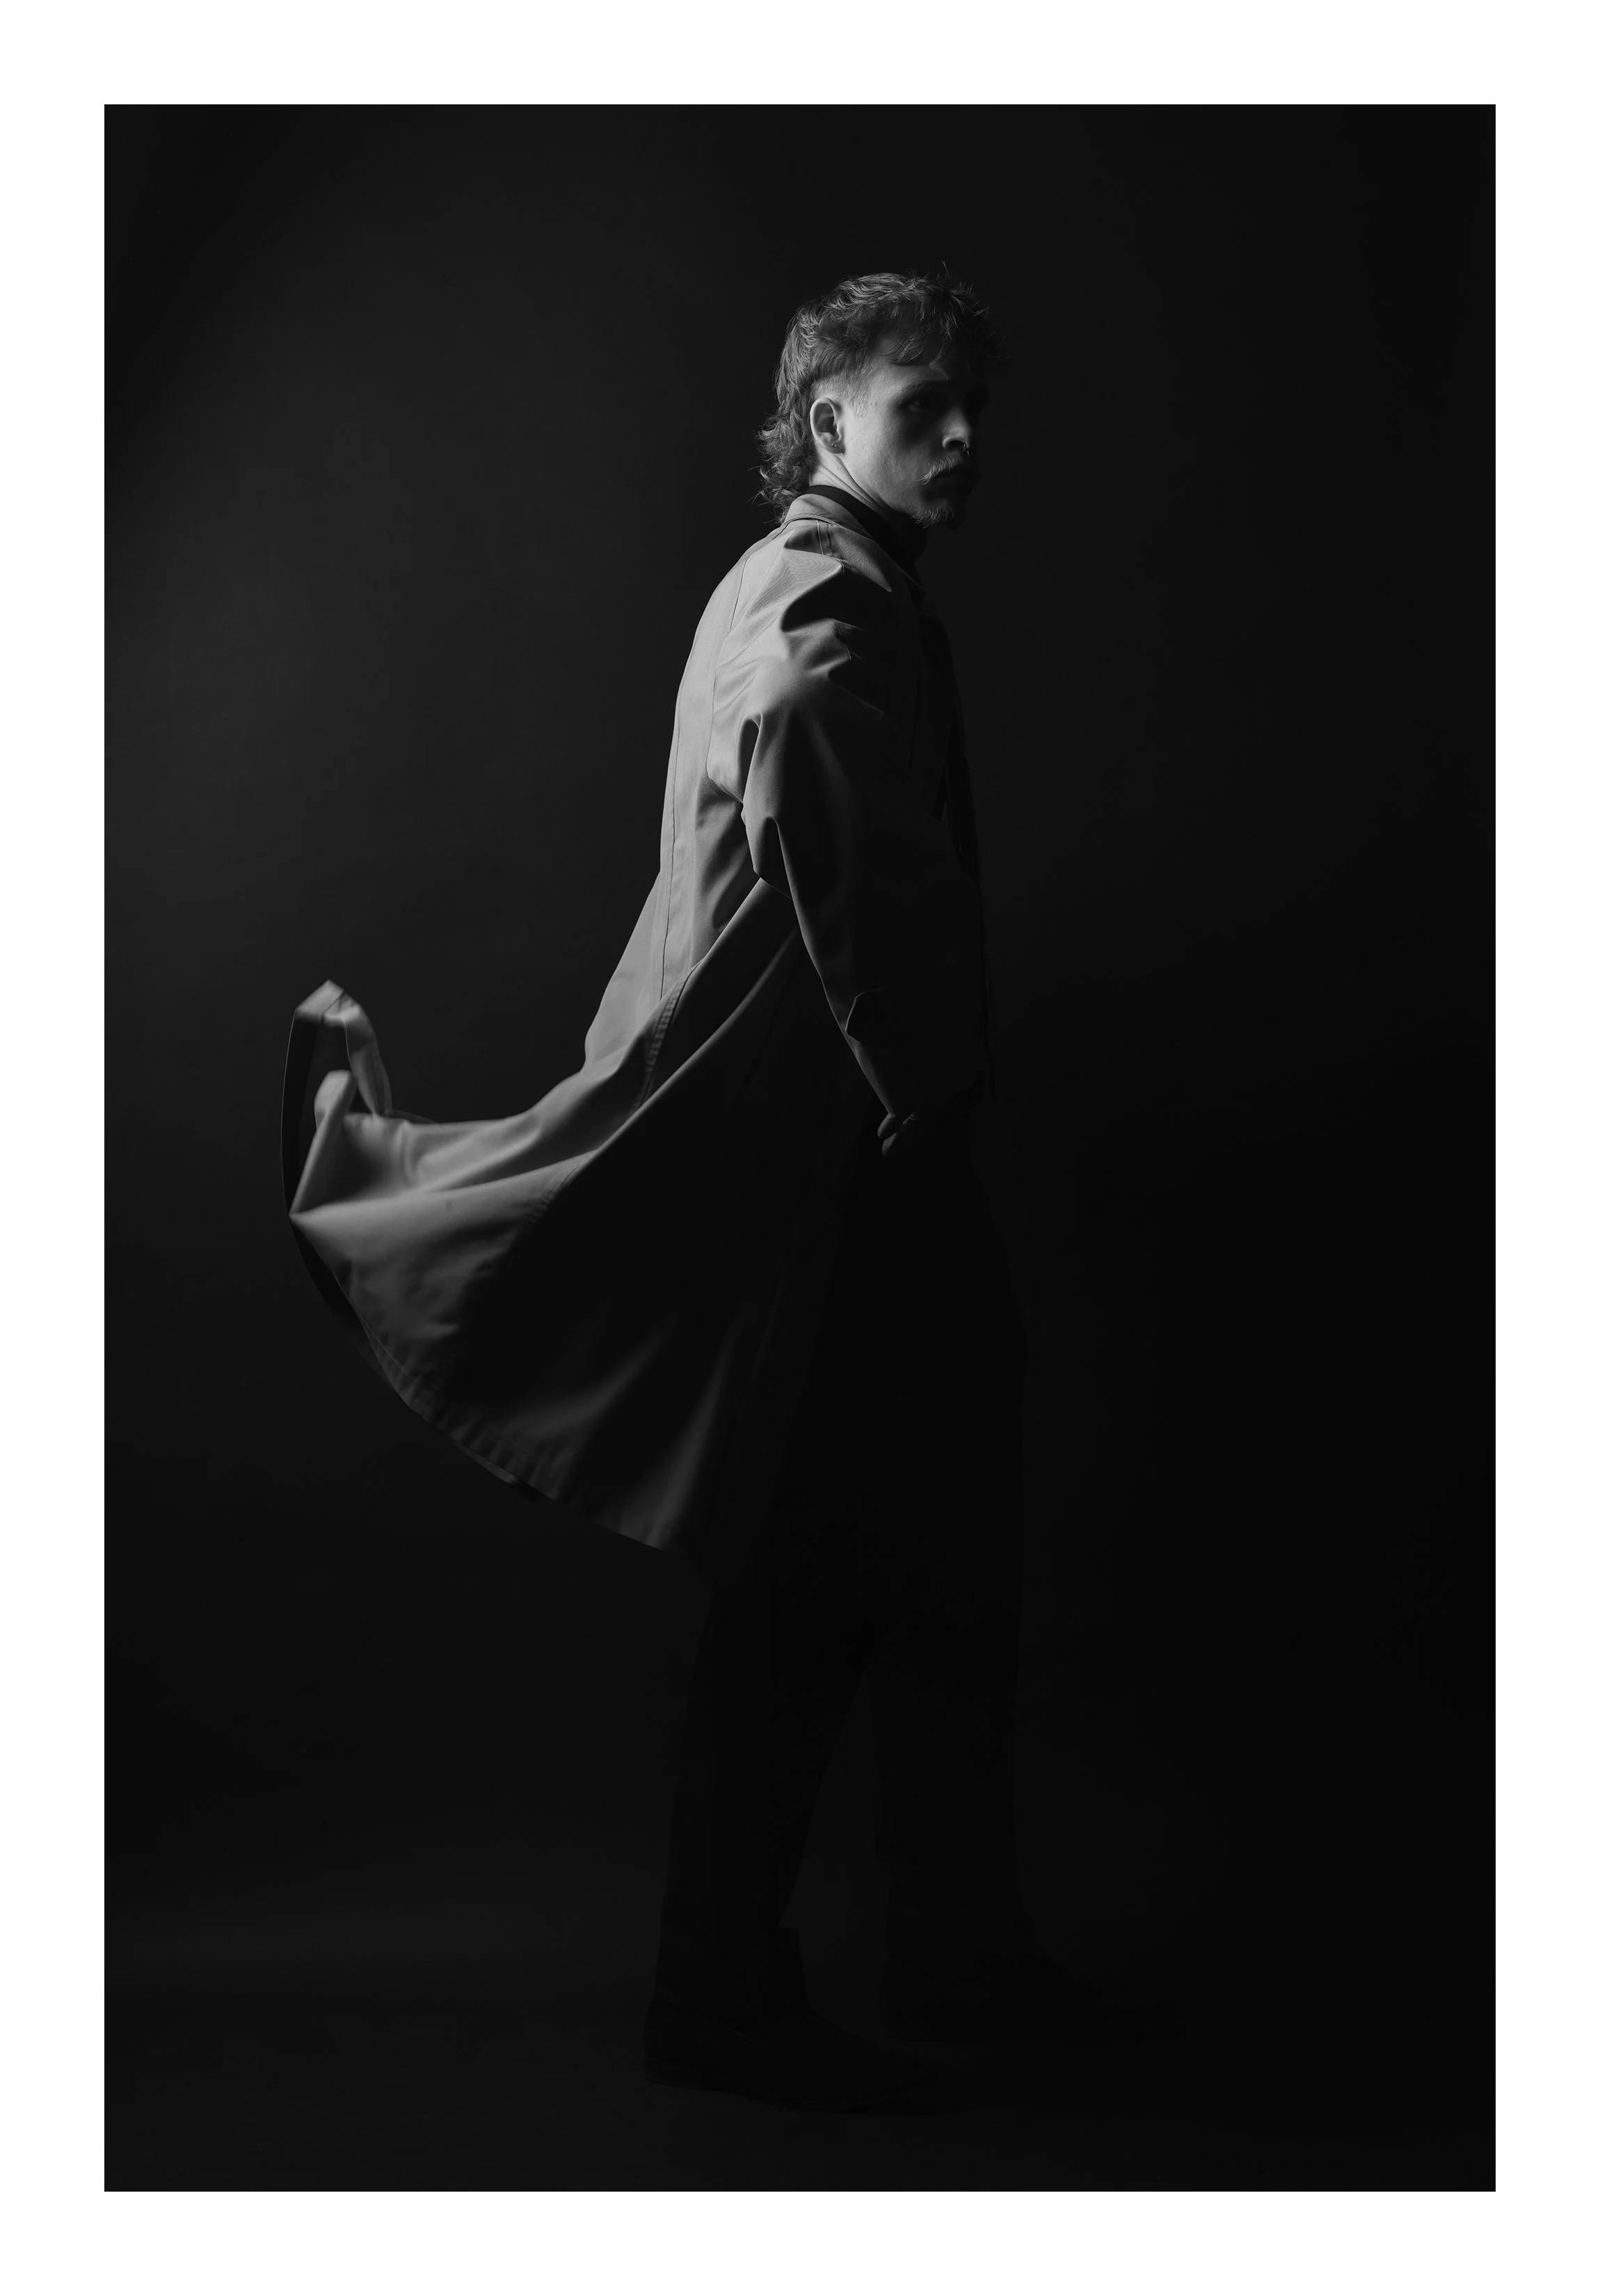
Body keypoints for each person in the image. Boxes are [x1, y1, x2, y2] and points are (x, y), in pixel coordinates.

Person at [285, 271, 1176, 2116]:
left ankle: (940, 1942)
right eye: (923, 403)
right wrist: (918, 1085)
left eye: (975, 406)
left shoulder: (827, 577)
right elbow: (789, 732)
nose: (964, 435)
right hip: (849, 1165)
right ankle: (726, 1983)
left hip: (850, 1157)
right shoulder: (812, 594)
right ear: (829, 418)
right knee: (824, 1558)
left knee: (935, 1540)